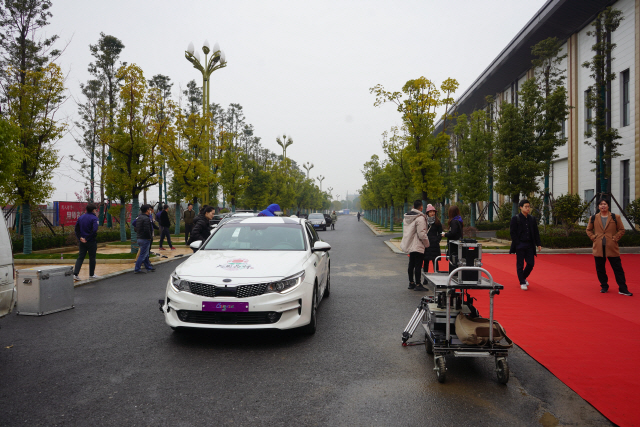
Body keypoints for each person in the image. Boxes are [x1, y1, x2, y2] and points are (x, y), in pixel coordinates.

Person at [586, 197, 632, 296]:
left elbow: (621, 230)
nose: (603, 206)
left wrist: (615, 238)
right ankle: (604, 286)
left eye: (605, 204)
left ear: (608, 206)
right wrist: (594, 237)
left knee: (618, 268)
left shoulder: (616, 217)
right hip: (598, 247)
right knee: (600, 269)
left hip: (611, 246)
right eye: (601, 204)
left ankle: (623, 288)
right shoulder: (593, 218)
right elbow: (588, 230)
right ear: (598, 207)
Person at [509, 199, 542, 291]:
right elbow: (512, 232)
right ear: (521, 207)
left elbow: (536, 232)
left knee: (531, 263)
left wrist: (538, 244)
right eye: (526, 206)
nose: (528, 208)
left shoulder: (532, 219)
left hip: (529, 245)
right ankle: (522, 282)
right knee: (520, 264)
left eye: (529, 206)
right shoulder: (516, 219)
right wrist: (517, 243)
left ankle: (522, 277)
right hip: (520, 244)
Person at [401, 200, 430, 291]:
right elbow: (422, 234)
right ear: (421, 208)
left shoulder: (407, 217)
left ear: (413, 206)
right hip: (418, 244)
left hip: (410, 244)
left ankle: (411, 283)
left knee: (411, 264)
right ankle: (418, 284)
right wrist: (427, 244)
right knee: (418, 265)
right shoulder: (420, 218)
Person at [73, 203, 100, 281]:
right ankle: (91, 274)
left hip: (82, 241)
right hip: (91, 241)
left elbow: (76, 229)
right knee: (92, 257)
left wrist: (80, 238)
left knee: (80, 257)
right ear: (93, 210)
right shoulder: (94, 218)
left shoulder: (81, 217)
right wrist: (87, 238)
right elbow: (94, 230)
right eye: (95, 209)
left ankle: (75, 274)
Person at [134, 204, 156, 274]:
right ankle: (137, 269)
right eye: (149, 209)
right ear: (147, 210)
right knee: (143, 255)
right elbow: (147, 230)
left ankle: (148, 267)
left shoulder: (139, 217)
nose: (150, 211)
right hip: (145, 238)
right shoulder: (146, 218)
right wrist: (149, 237)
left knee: (146, 254)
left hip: (139, 237)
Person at [441, 205, 464, 273]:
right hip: (458, 242)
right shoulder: (459, 220)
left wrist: (445, 234)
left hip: (453, 244)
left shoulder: (454, 222)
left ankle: (453, 274)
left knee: (453, 260)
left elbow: (453, 233)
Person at [423, 204, 443, 273]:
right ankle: (425, 278)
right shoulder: (424, 222)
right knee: (426, 262)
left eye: (433, 211)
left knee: (435, 262)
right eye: (430, 212)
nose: (432, 213)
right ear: (427, 213)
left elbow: (441, 233)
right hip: (426, 245)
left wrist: (437, 240)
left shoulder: (437, 222)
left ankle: (437, 277)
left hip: (435, 246)